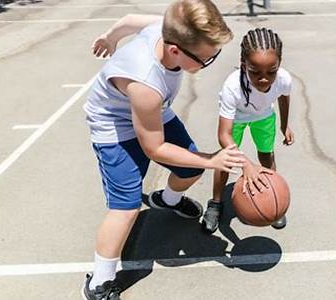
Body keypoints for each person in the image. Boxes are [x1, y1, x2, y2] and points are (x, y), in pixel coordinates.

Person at [82, 2, 244, 299]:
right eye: (206, 59)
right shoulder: (146, 81)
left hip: (155, 112)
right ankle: (99, 282)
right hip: (114, 125)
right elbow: (155, 149)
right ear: (175, 51)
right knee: (126, 207)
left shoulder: (168, 27)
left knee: (190, 168)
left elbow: (130, 20)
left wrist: (110, 37)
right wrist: (211, 159)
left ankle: (167, 200)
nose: (210, 62)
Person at [201, 27, 294, 234]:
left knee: (267, 156)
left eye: (271, 72)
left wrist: (284, 124)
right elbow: (223, 135)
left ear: (279, 64)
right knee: (225, 159)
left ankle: (271, 196)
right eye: (255, 72)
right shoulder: (232, 87)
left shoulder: (284, 79)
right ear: (244, 65)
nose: (264, 79)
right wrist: (245, 164)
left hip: (264, 116)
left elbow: (284, 97)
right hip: (237, 119)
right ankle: (216, 203)